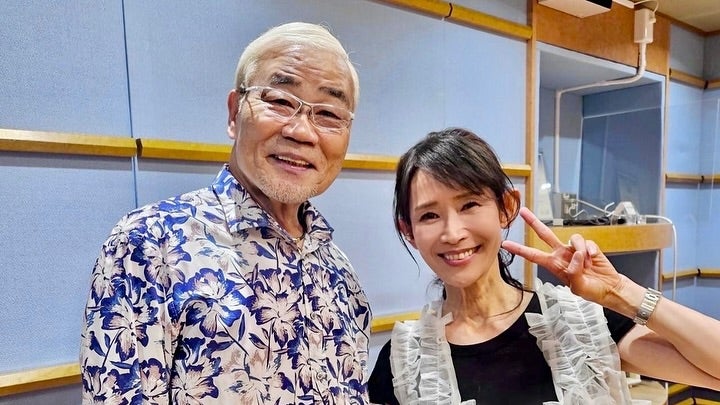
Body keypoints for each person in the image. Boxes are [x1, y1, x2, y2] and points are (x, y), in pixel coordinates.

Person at [80, 22, 371, 404]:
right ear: (235, 113)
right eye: (280, 101)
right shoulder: (150, 244)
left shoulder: (340, 271)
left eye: (329, 114)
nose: (302, 131)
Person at [368, 127, 720, 404]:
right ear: (409, 231)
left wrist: (621, 292)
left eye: (469, 205)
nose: (453, 232)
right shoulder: (405, 361)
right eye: (429, 216)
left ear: (506, 208)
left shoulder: (577, 323)